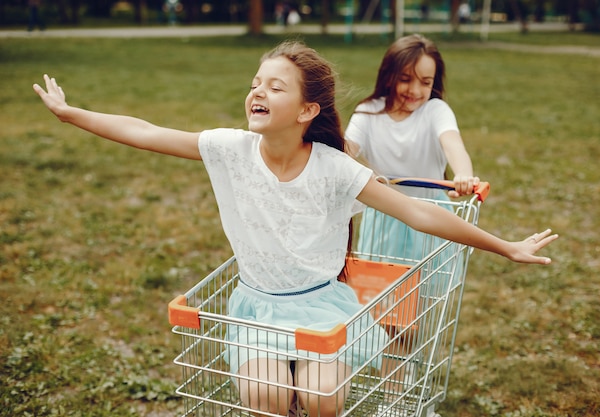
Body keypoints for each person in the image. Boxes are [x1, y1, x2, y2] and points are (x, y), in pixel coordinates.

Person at [33, 40, 557, 417]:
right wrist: (70, 114)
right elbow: (145, 131)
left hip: (321, 308)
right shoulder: (228, 149)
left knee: (324, 400)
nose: (257, 92)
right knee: (263, 400)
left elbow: (418, 211)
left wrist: (503, 246)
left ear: (307, 109)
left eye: (275, 86)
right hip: (257, 307)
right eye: (256, 83)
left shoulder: (335, 169)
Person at [345, 34, 478, 264]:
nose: (415, 90)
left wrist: (463, 174)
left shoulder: (435, 110)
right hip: (384, 216)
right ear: (389, 77)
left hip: (432, 215)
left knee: (429, 291)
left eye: (425, 82)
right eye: (406, 79)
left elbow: (453, 144)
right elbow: (345, 152)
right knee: (380, 288)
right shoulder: (368, 112)